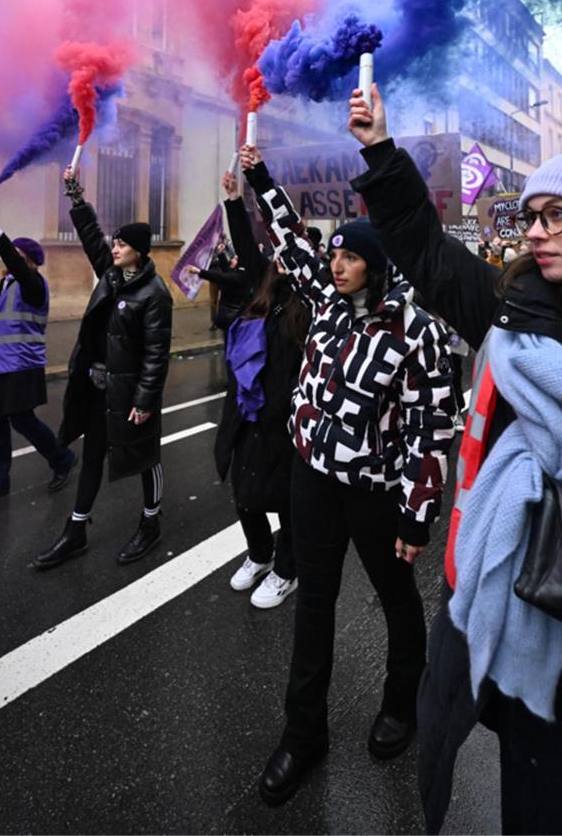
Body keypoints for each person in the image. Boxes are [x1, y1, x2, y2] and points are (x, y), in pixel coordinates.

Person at [348, 84, 562, 836]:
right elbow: (425, 250)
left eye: (560, 216)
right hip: (513, 641)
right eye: (533, 216)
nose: (537, 231)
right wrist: (379, 152)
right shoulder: (514, 314)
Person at [239, 143, 456, 807]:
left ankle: (402, 701)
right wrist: (258, 177)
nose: (335, 264)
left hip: (375, 491)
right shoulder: (328, 301)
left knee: (396, 596)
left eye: (351, 255)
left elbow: (432, 427)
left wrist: (418, 515)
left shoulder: (417, 331)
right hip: (313, 481)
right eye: (334, 254)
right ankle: (303, 734)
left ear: (378, 264)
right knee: (312, 604)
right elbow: (290, 240)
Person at [34, 167, 173, 569]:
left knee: (145, 456)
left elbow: (156, 354)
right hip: (99, 388)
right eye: (115, 243)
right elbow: (91, 236)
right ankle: (75, 530)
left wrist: (145, 401)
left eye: (123, 243)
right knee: (93, 454)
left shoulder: (154, 294)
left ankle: (151, 523)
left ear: (140, 250)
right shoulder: (111, 277)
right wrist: (76, 197)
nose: (114, 247)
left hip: (132, 394)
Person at [213, 166, 310, 610]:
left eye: (291, 244)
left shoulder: (312, 299)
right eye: (278, 246)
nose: (281, 252)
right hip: (248, 412)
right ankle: (259, 555)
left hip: (286, 420)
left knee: (287, 502)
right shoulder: (263, 286)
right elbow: (250, 250)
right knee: (245, 494)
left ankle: (288, 569)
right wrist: (235, 201)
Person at [0, 203, 76, 505]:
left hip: (22, 364)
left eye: (17, 257)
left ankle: (62, 458)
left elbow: (14, 264)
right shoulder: (6, 285)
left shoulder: (33, 284)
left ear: (28, 262)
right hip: (0, 364)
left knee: (22, 420)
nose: (9, 263)